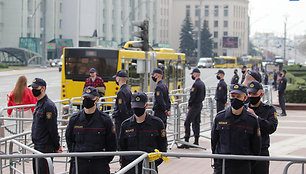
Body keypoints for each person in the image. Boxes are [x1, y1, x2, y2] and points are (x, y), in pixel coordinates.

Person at [211, 84, 261, 174]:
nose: (235, 99)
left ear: (245, 98)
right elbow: (214, 142)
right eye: (233, 96)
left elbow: (256, 146)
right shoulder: (220, 117)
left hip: (243, 166)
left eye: (238, 96)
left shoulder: (251, 120)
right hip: (223, 165)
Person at [66, 86, 117, 174]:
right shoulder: (75, 119)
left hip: (99, 164)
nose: (87, 100)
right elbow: (69, 139)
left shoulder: (105, 120)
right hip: (80, 163)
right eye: (85, 97)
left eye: (89, 98)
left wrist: (104, 160)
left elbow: (112, 144)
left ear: (96, 100)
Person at [119, 92, 167, 174]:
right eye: (135, 106)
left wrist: (154, 163)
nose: (137, 109)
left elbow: (163, 147)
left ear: (146, 105)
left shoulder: (157, 123)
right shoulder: (125, 125)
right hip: (130, 168)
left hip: (149, 168)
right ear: (131, 105)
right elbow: (121, 148)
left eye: (140, 106)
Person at [29, 78, 62, 174]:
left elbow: (52, 128)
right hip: (37, 145)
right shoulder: (39, 103)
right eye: (33, 87)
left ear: (43, 88)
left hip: (45, 146)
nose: (33, 90)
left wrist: (56, 145)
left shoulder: (48, 106)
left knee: (44, 171)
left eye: (36, 87)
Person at [247, 81, 278, 174]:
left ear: (261, 94)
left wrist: (256, 117)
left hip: (261, 151)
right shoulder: (243, 109)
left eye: (254, 94)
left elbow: (271, 127)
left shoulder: (269, 110)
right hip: (245, 150)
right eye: (249, 93)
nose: (251, 96)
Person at [178, 68, 206, 148]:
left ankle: (186, 142)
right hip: (199, 104)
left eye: (193, 74)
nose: (192, 76)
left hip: (194, 105)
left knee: (187, 122)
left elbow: (192, 96)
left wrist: (189, 104)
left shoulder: (196, 84)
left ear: (196, 74)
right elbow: (204, 95)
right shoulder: (202, 83)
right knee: (196, 122)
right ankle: (196, 141)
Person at [112, 70, 133, 138]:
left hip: (121, 120)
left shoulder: (121, 92)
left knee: (119, 138)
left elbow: (122, 109)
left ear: (118, 79)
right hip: (127, 118)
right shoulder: (128, 90)